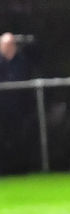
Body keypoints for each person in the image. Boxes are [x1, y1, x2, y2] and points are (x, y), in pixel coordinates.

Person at [0, 32, 35, 173]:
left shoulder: (22, 61)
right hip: (2, 108)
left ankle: (21, 167)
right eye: (6, 45)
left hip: (19, 107)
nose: (9, 48)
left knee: (20, 138)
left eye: (11, 45)